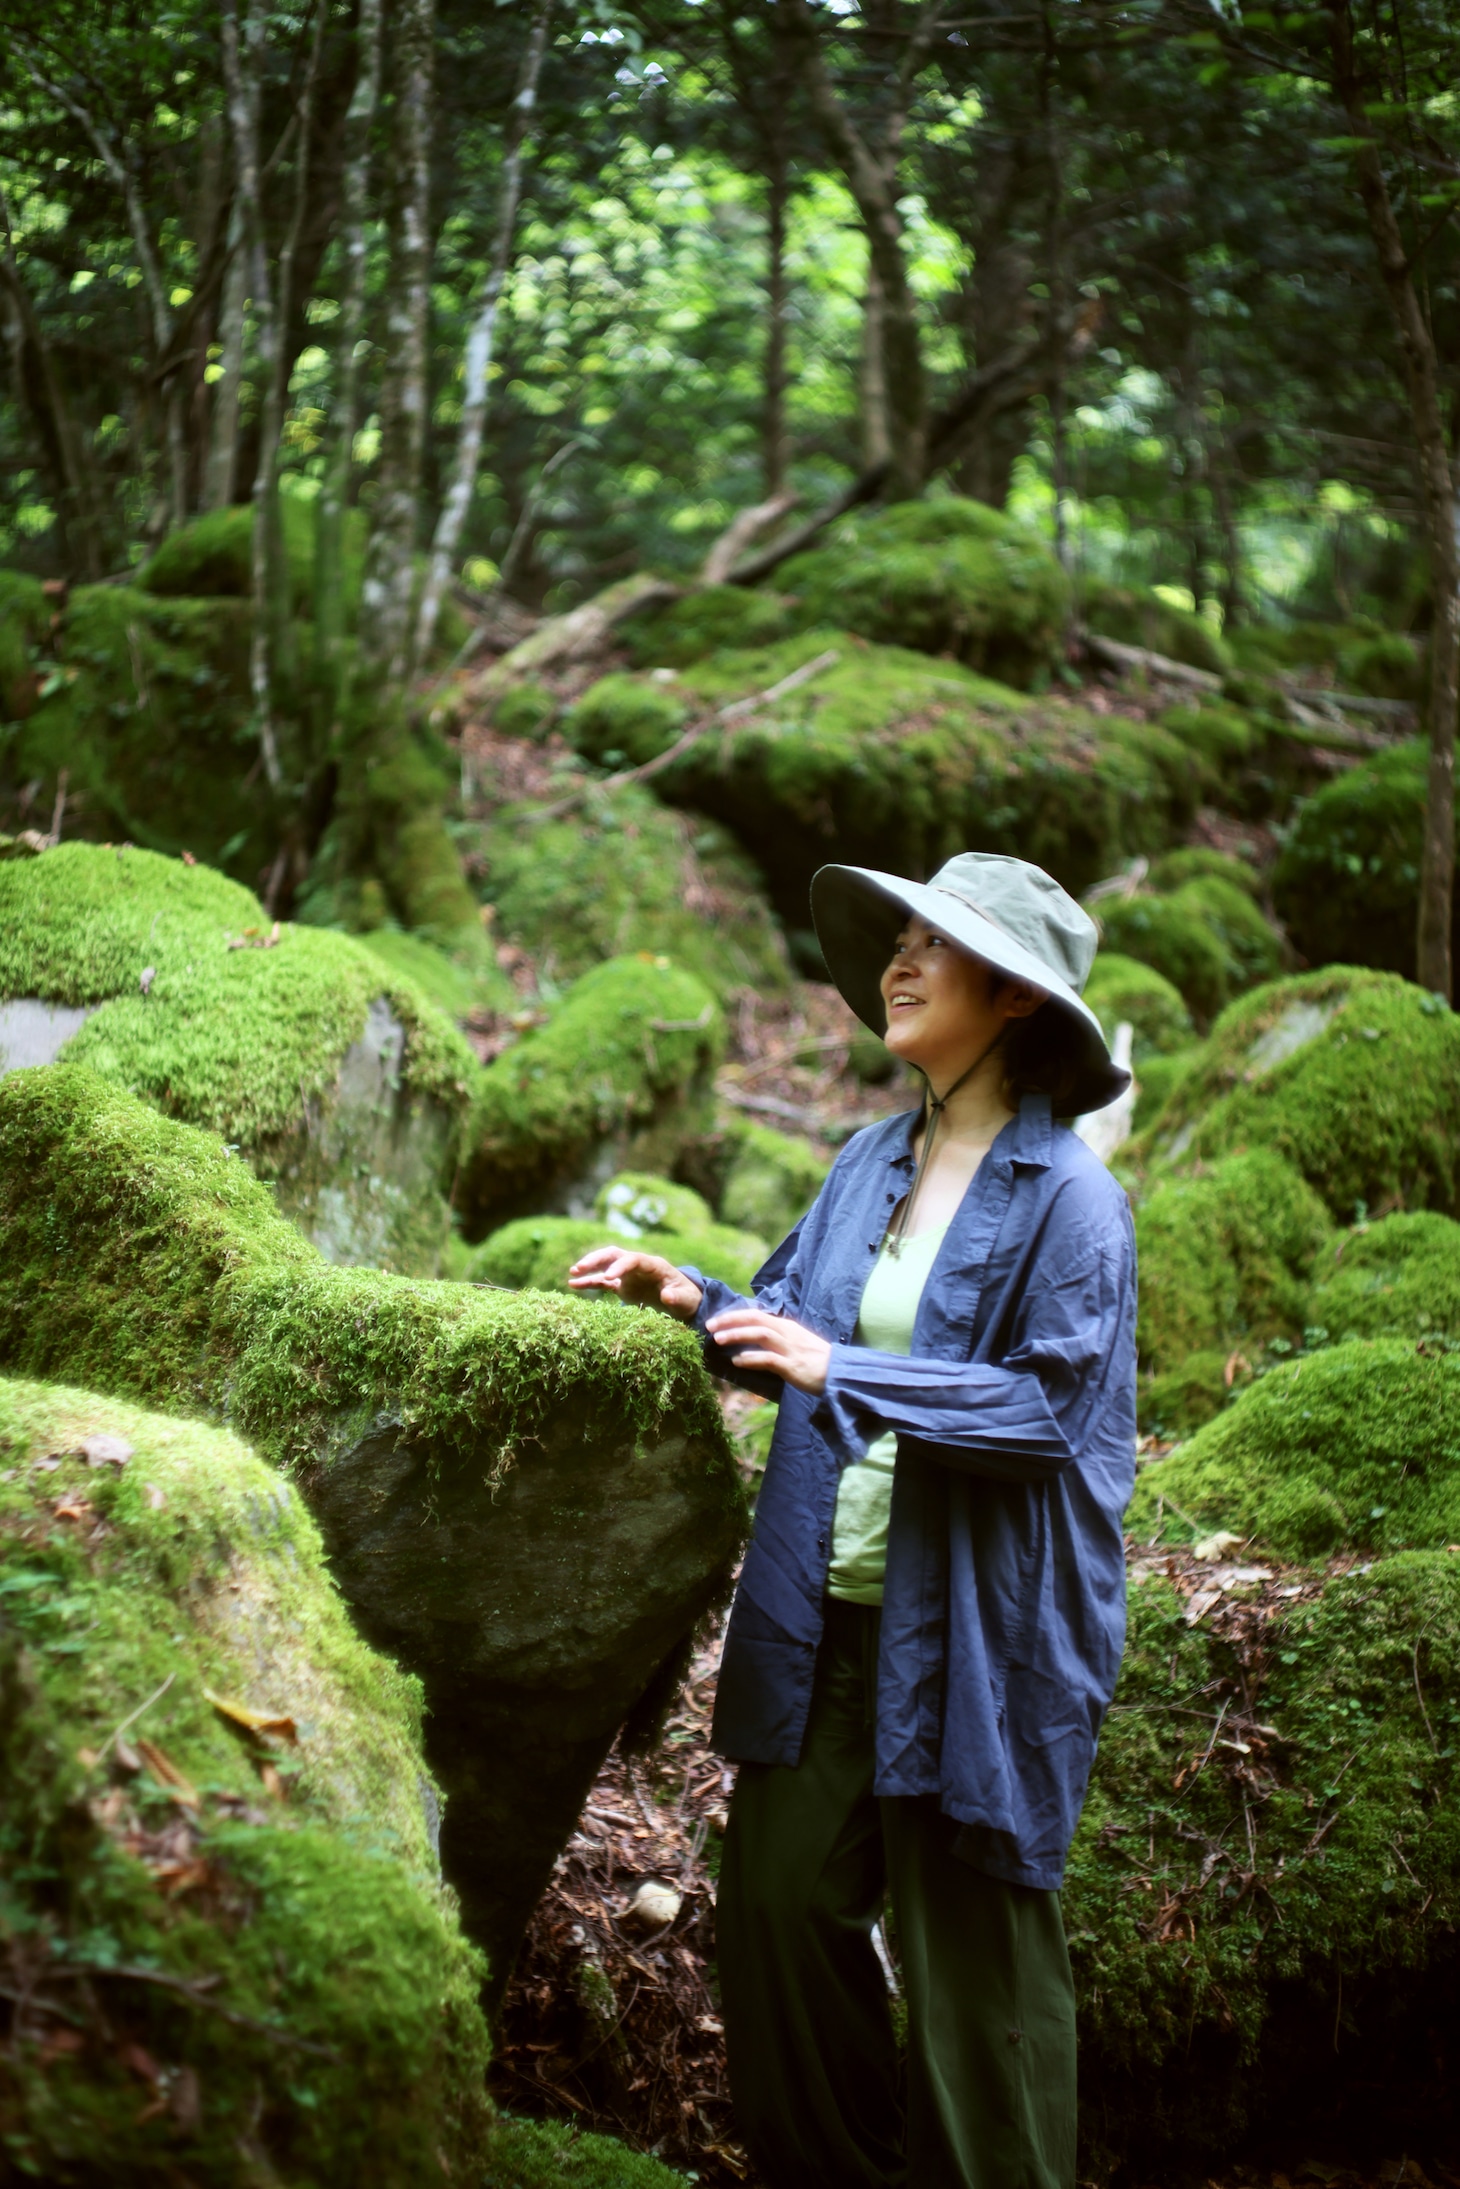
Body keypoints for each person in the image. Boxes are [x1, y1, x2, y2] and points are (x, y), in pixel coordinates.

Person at [569, 852, 1138, 2189]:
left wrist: (846, 1369)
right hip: (827, 1611)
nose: (899, 959)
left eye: (934, 942)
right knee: (775, 1913)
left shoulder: (1073, 1200)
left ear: (1013, 994)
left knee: (974, 1978)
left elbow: (1043, 1413)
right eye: (897, 937)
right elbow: (794, 1328)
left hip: (984, 1635)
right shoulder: (868, 1158)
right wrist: (693, 1297)